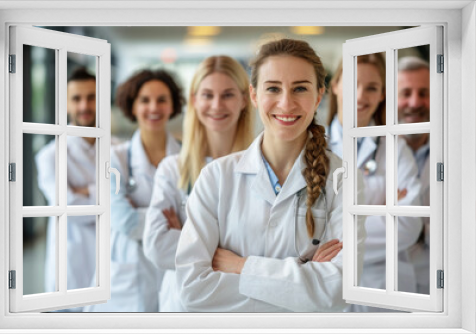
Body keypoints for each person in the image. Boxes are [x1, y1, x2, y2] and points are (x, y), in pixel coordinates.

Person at [175, 39, 367, 312]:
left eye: (300, 88)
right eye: (273, 88)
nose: (286, 103)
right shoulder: (216, 177)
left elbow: (338, 290)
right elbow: (192, 290)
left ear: (319, 95)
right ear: (253, 96)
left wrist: (241, 266)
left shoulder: (343, 178)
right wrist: (303, 282)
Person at [143, 55, 255, 312]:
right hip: (183, 307)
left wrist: (188, 237)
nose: (216, 105)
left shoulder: (261, 168)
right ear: (194, 100)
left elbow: (269, 249)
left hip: (241, 305)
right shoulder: (173, 169)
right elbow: (157, 246)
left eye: (227, 95)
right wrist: (233, 257)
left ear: (244, 100)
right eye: (207, 95)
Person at [327, 54, 423, 311]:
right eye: (353, 84)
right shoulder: (310, 148)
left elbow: (408, 225)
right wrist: (385, 209)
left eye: (371, 87)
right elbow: (301, 233)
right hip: (327, 291)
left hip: (386, 292)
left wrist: (333, 231)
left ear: (382, 94)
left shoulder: (395, 147)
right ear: (335, 85)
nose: (360, 96)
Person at [83, 69, 184, 312]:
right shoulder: (115, 159)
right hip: (128, 271)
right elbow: (124, 221)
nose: (154, 107)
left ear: (172, 106)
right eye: (145, 100)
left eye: (162, 99)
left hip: (174, 267)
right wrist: (171, 223)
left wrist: (142, 214)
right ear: (133, 106)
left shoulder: (188, 156)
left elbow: (199, 220)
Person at [36, 67, 98, 312]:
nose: (84, 105)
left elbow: (123, 204)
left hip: (111, 264)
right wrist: (103, 194)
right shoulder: (49, 156)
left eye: (91, 97)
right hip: (70, 266)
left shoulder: (118, 150)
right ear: (66, 103)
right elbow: (70, 208)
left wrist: (85, 190)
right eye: (76, 98)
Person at [398, 56, 431, 294]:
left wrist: (417, 227)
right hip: (381, 286)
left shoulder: (459, 151)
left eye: (424, 93)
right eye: (405, 92)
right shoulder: (372, 149)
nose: (414, 102)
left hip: (439, 285)